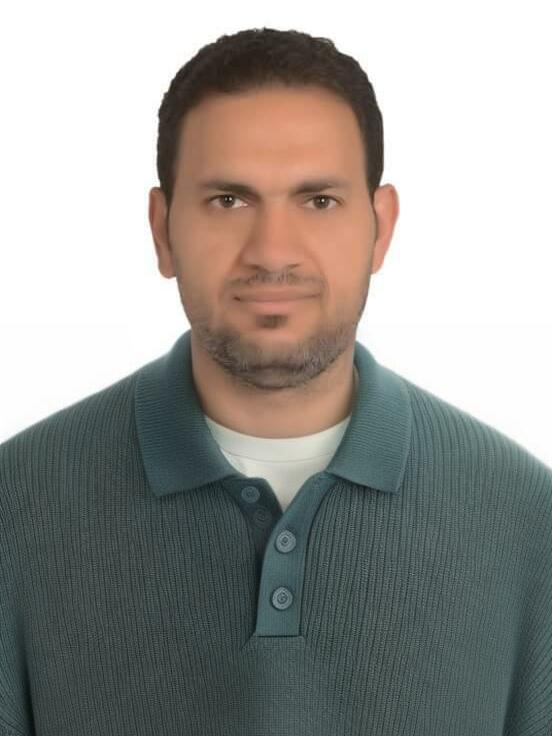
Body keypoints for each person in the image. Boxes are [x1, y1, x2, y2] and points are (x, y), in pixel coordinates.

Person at [1, 27, 551, 736]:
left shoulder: (525, 522)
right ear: (162, 231)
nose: (272, 253)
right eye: (229, 200)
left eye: (318, 201)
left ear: (380, 228)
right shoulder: (17, 509)